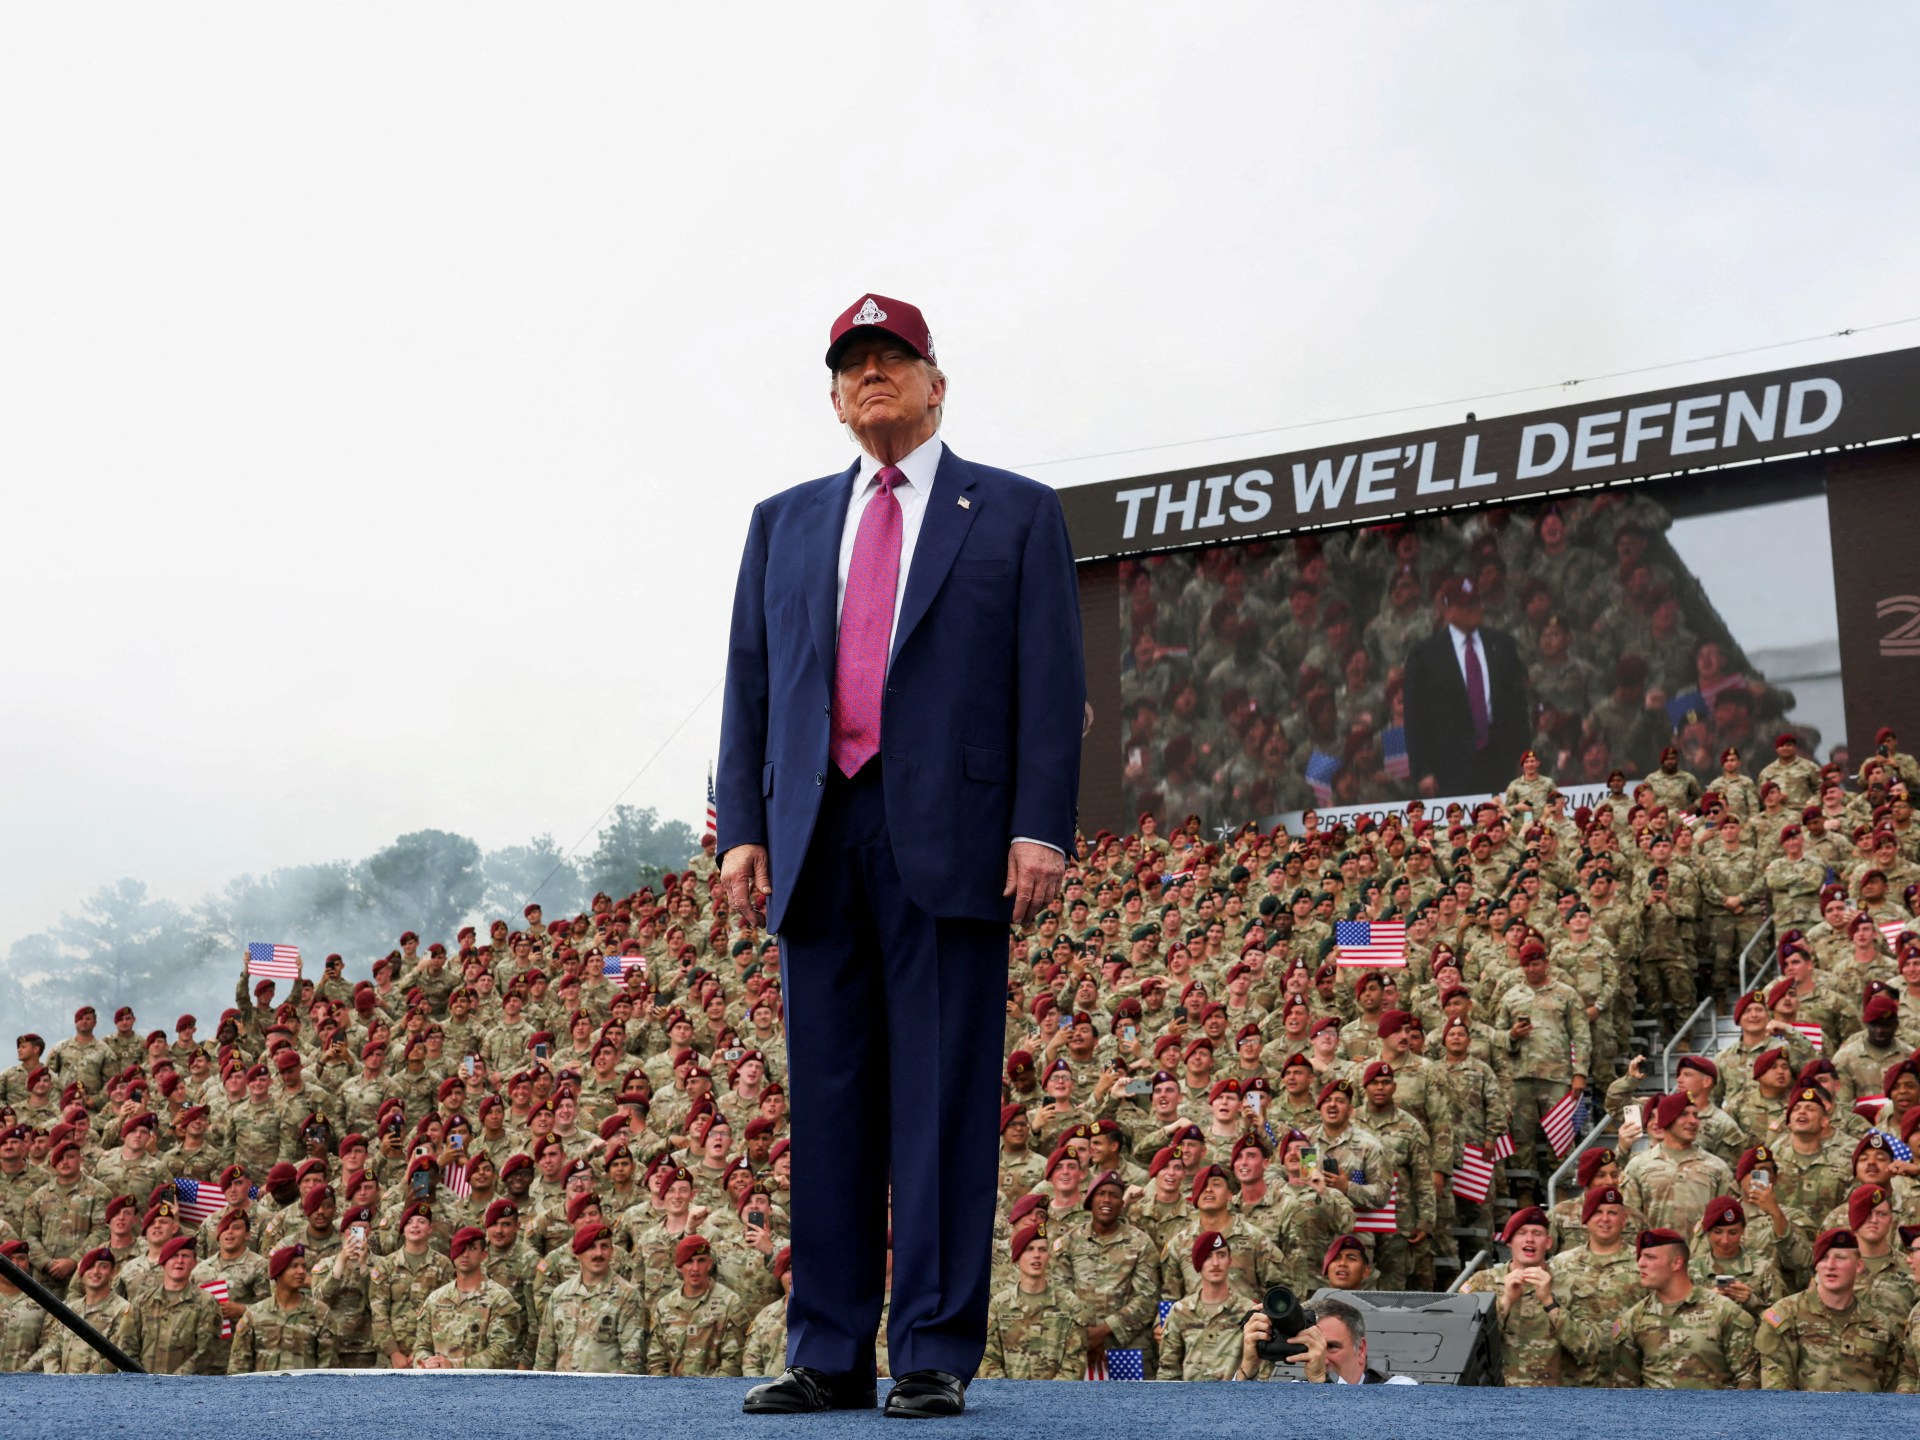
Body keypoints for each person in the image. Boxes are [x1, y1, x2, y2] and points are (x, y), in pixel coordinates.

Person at [721, 294, 1085, 1419]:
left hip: (953, 835)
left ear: (937, 383)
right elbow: (749, 679)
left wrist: (1039, 826)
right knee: (828, 1101)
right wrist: (742, 827)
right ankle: (828, 1350)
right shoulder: (783, 522)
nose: (871, 376)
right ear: (835, 400)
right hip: (816, 829)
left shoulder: (1014, 511)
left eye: (892, 357)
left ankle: (930, 1347)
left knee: (940, 1099)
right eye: (852, 366)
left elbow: (1051, 680)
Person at [1401, 575, 1530, 797]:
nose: (1475, 609)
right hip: (1449, 768)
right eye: (1466, 605)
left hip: (1500, 761)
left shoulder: (1502, 645)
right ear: (1448, 610)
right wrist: (1423, 771)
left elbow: (1518, 707)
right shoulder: (1425, 655)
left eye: (1476, 602)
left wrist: (1524, 756)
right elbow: (1416, 718)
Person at [1603, 1227, 1758, 1388]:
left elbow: (1748, 1379)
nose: (1640, 1263)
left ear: (1676, 1263)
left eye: (1650, 1257)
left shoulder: (1724, 1312)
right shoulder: (1634, 1319)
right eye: (1641, 1256)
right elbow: (1626, 1388)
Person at [1755, 1228, 1902, 1390]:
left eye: (1840, 1258)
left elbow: (1892, 1389)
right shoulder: (1786, 1315)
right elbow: (1776, 1389)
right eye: (1823, 1258)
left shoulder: (1880, 1325)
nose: (1830, 1265)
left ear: (1859, 1265)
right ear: (1816, 1265)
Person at [1235, 1294, 1417, 1383]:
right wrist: (1247, 1370)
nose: (1320, 1356)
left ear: (1361, 1350)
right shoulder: (1296, 1390)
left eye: (1331, 1346)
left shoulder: (1398, 1388)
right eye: (1311, 1346)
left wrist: (1319, 1380)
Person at [227, 1245, 337, 1373]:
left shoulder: (320, 1313)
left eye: (303, 1266)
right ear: (278, 1272)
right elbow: (239, 1365)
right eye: (294, 1266)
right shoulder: (254, 1315)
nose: (301, 1271)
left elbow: (328, 1366)